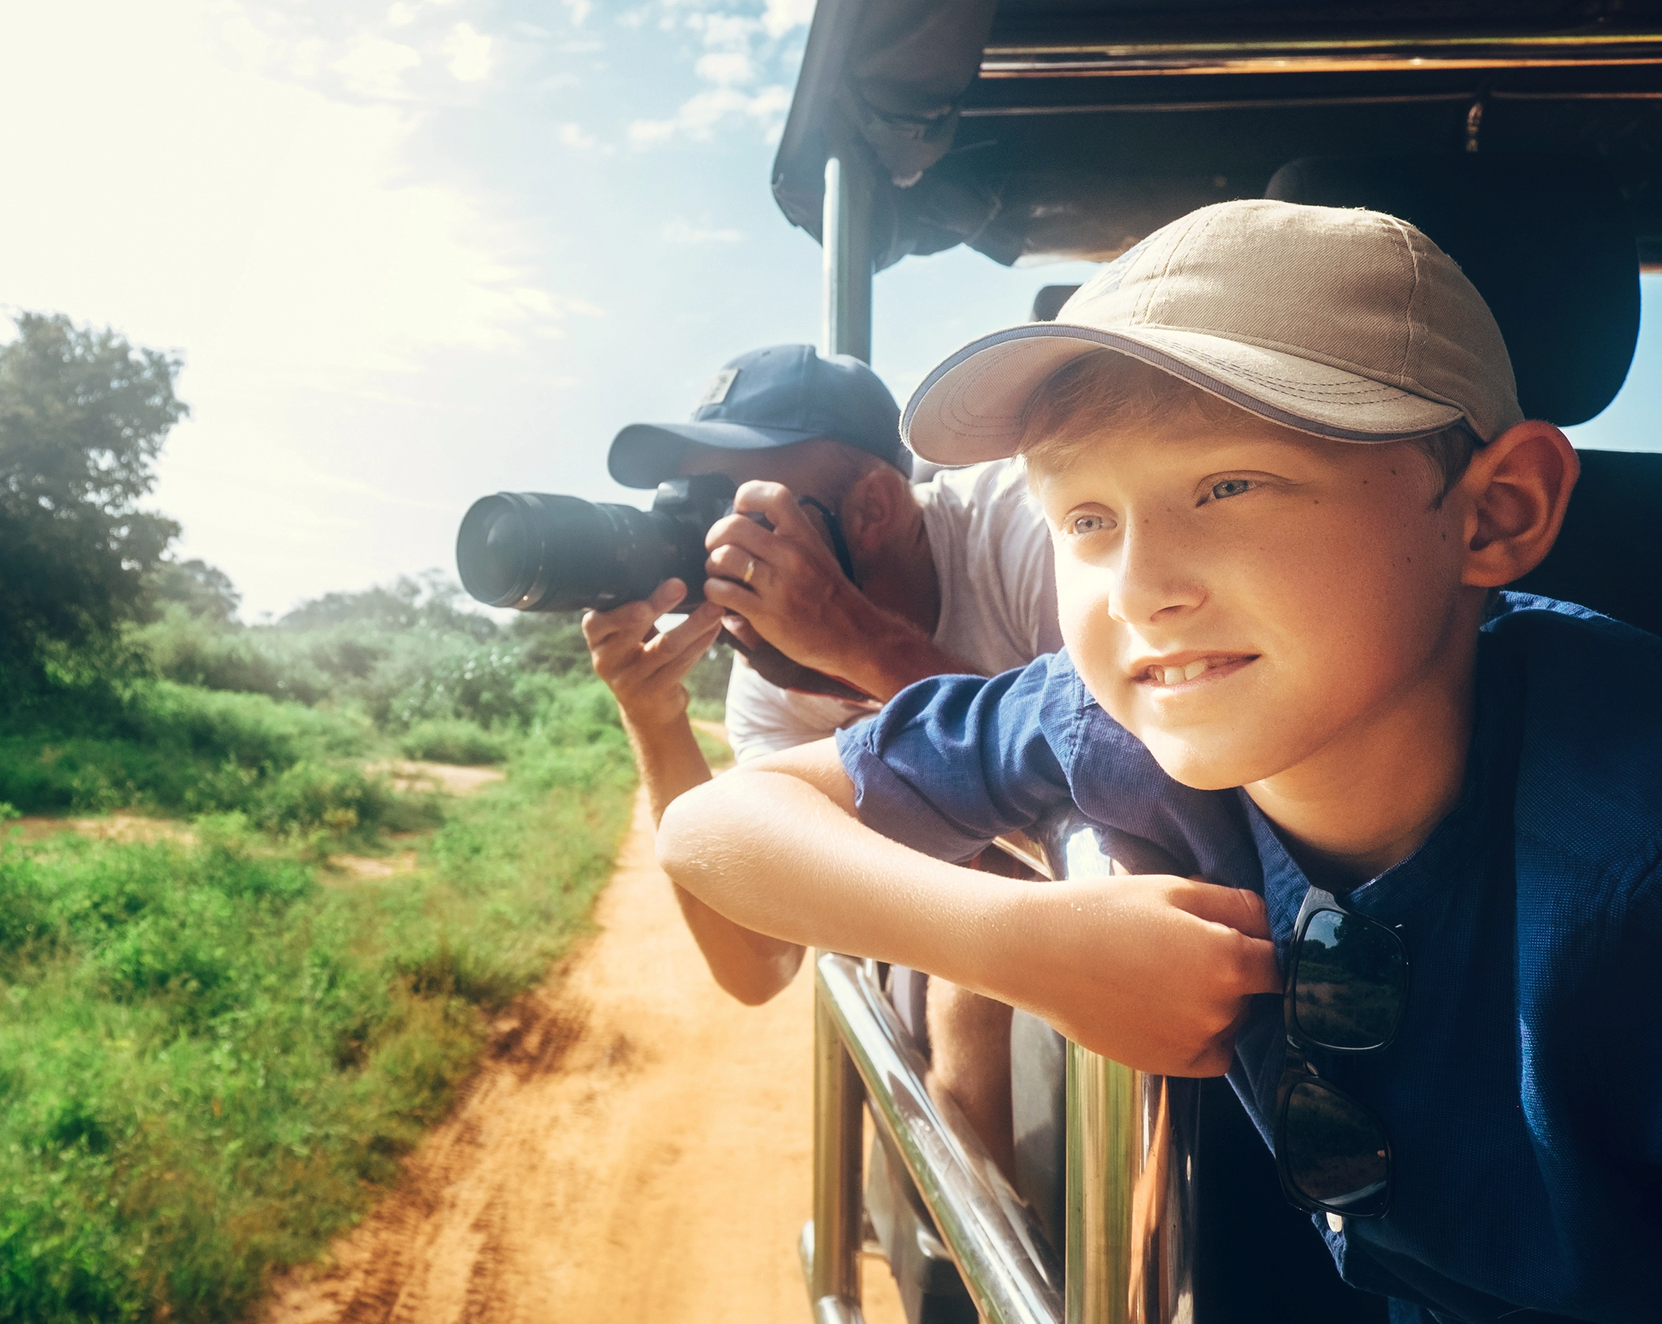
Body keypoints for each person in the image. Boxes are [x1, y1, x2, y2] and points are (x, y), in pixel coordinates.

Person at [655, 200, 1661, 1323]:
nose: (1137, 588)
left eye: (1226, 487)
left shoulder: (1625, 854)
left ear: (1495, 517)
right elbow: (713, 827)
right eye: (1083, 518)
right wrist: (1022, 943)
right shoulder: (1109, 720)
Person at [582, 342, 1061, 1164]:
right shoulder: (773, 681)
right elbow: (758, 965)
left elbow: (1126, 775)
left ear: (873, 508)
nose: (714, 549)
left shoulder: (1029, 528)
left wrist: (863, 645)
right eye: (693, 509)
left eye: (741, 510)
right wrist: (655, 719)